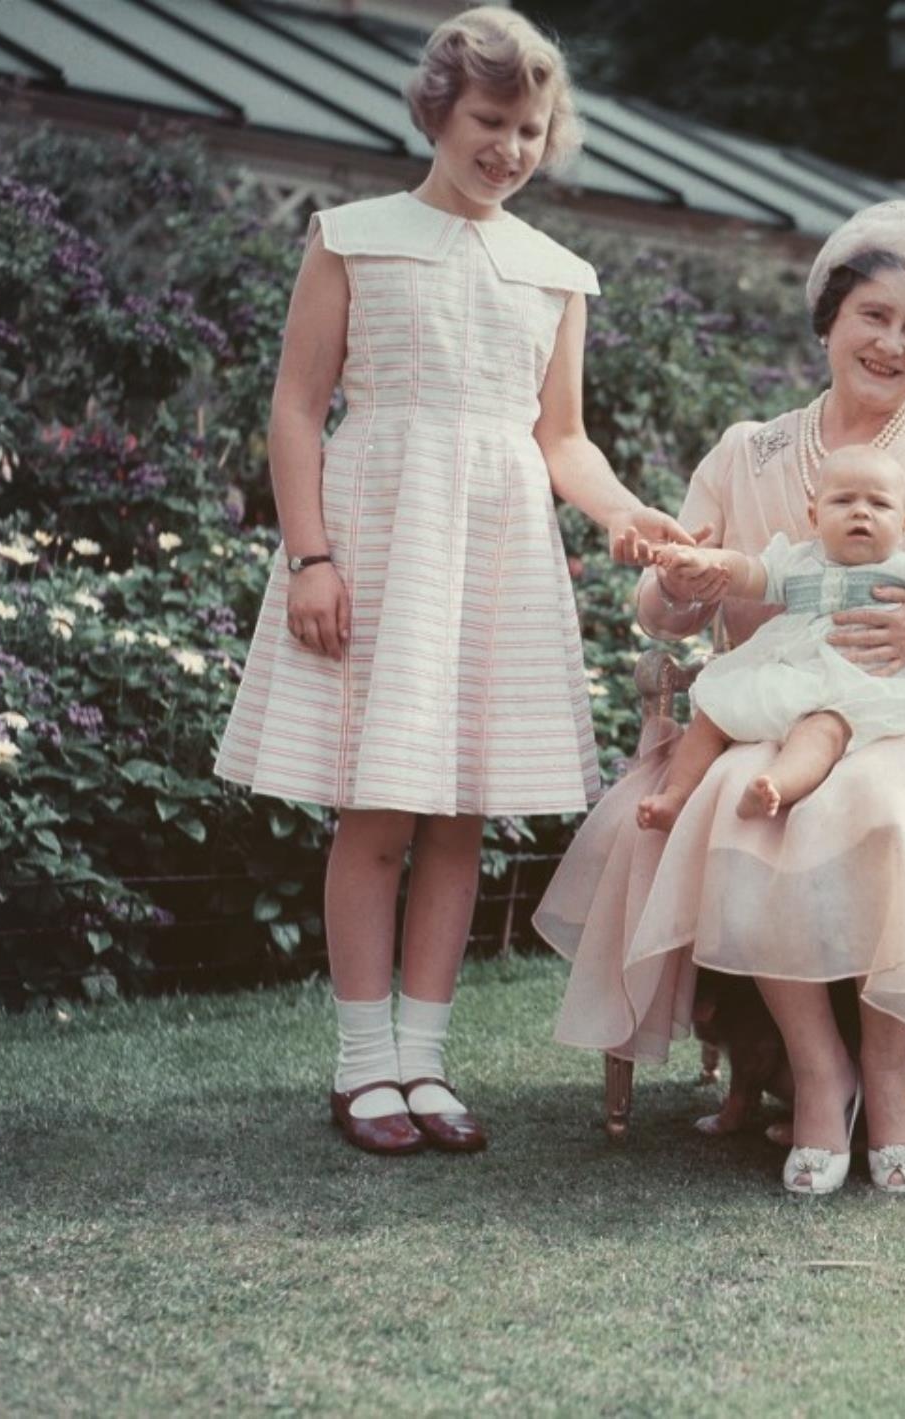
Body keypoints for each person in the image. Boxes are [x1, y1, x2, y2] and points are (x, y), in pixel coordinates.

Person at [535, 198, 905, 1196]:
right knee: (736, 796)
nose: (890, 343)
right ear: (831, 322)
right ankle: (816, 1066)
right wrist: (682, 578)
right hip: (768, 700)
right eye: (873, 316)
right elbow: (661, 604)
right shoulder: (748, 449)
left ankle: (888, 1072)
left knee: (875, 799)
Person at [215, 6, 694, 1157]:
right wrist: (311, 557)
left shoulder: (554, 272)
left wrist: (631, 516)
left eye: (531, 127)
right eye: (490, 120)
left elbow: (562, 438)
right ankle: (361, 1067)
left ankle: (425, 1064)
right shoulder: (353, 236)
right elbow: (295, 407)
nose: (511, 147)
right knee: (377, 811)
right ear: (440, 111)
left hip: (496, 551)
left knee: (462, 816)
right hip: (379, 540)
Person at [633, 444, 905, 830]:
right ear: (814, 516)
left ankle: (775, 785)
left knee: (824, 730)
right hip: (790, 672)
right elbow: (748, 573)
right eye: (843, 501)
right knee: (712, 717)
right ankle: (677, 795)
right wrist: (706, 560)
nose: (861, 511)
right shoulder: (797, 561)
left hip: (860, 681)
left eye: (879, 504)